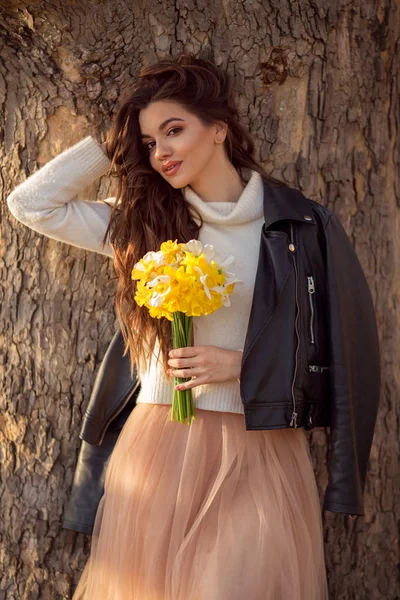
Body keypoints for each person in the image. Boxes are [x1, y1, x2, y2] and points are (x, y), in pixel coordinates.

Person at [6, 52, 380, 599]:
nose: (161, 153)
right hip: (161, 442)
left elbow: (345, 357)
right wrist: (116, 142)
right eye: (150, 143)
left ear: (220, 129)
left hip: (262, 448)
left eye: (174, 131)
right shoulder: (142, 226)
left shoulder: (299, 224)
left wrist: (247, 368)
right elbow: (30, 205)